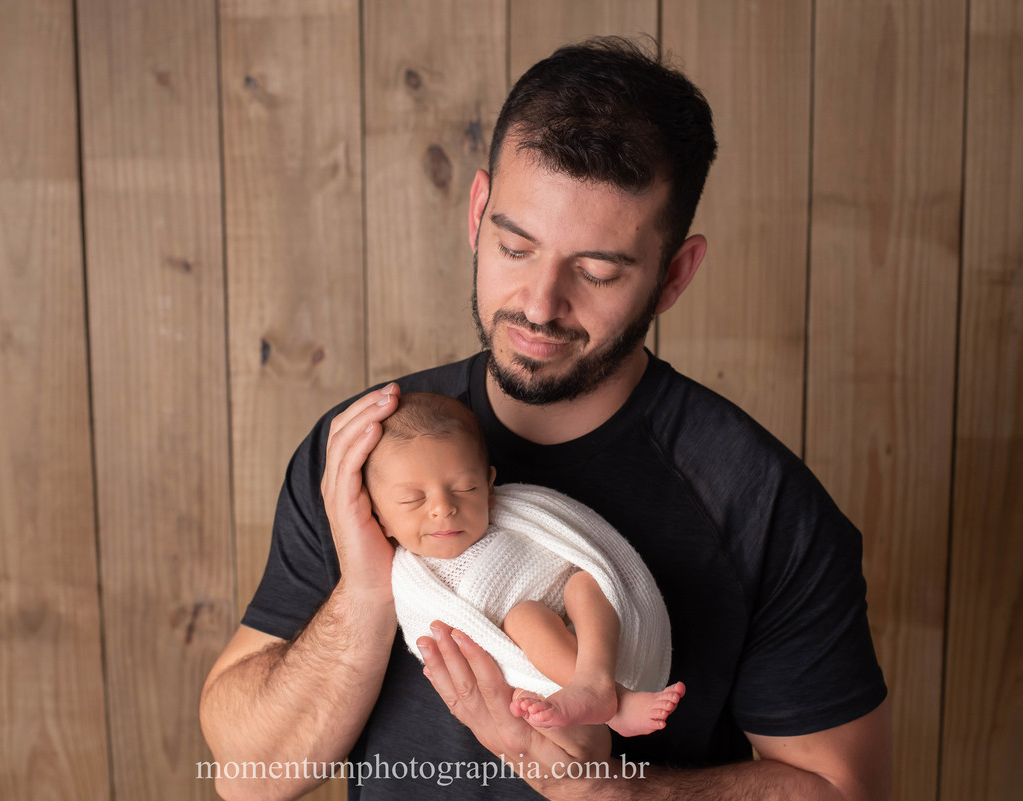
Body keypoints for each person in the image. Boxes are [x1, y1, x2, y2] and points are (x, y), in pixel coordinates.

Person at [201, 37, 890, 800]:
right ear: (476, 212)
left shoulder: (760, 503)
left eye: (597, 271)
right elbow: (247, 774)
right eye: (515, 245)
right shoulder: (368, 451)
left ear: (674, 274)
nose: (539, 303)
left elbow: (839, 789)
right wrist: (369, 588)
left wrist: (611, 792)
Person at [366, 391, 685, 738]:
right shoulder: (413, 581)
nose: (443, 508)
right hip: (545, 651)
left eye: (465, 487)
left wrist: (595, 573)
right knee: (524, 617)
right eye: (413, 499)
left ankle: (596, 682)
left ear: (489, 487)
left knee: (588, 581)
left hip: (601, 636)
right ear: (381, 518)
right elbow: (435, 630)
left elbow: (587, 549)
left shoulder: (518, 512)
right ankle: (614, 700)